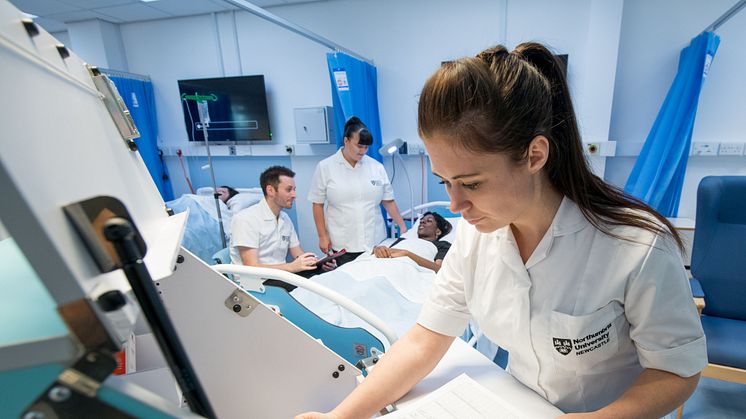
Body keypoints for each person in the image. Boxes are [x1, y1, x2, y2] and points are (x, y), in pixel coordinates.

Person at [297, 43, 705, 418]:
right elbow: (425, 340)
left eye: (472, 183)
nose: (455, 205)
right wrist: (340, 417)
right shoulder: (476, 239)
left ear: (534, 155)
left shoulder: (636, 245)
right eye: (445, 182)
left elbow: (676, 373)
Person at [308, 116, 407, 266]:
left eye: (366, 147)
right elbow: (317, 204)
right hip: (342, 245)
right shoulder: (326, 167)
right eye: (359, 146)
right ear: (346, 141)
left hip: (376, 243)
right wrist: (322, 236)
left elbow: (388, 200)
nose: (363, 151)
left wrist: (403, 227)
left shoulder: (376, 167)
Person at [230, 166, 334, 292]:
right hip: (256, 282)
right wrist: (291, 267)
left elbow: (298, 255)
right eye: (289, 190)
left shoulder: (285, 219)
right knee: (312, 291)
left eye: (294, 189)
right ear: (270, 190)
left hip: (280, 276)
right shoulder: (245, 219)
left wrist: (319, 265)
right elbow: (251, 267)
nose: (294, 195)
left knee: (325, 278)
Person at [372, 212, 451, 272]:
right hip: (380, 264)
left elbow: (438, 269)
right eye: (421, 221)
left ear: (438, 231)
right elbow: (387, 251)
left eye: (429, 221)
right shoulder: (403, 240)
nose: (422, 222)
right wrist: (377, 249)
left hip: (404, 270)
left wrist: (407, 254)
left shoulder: (442, 245)